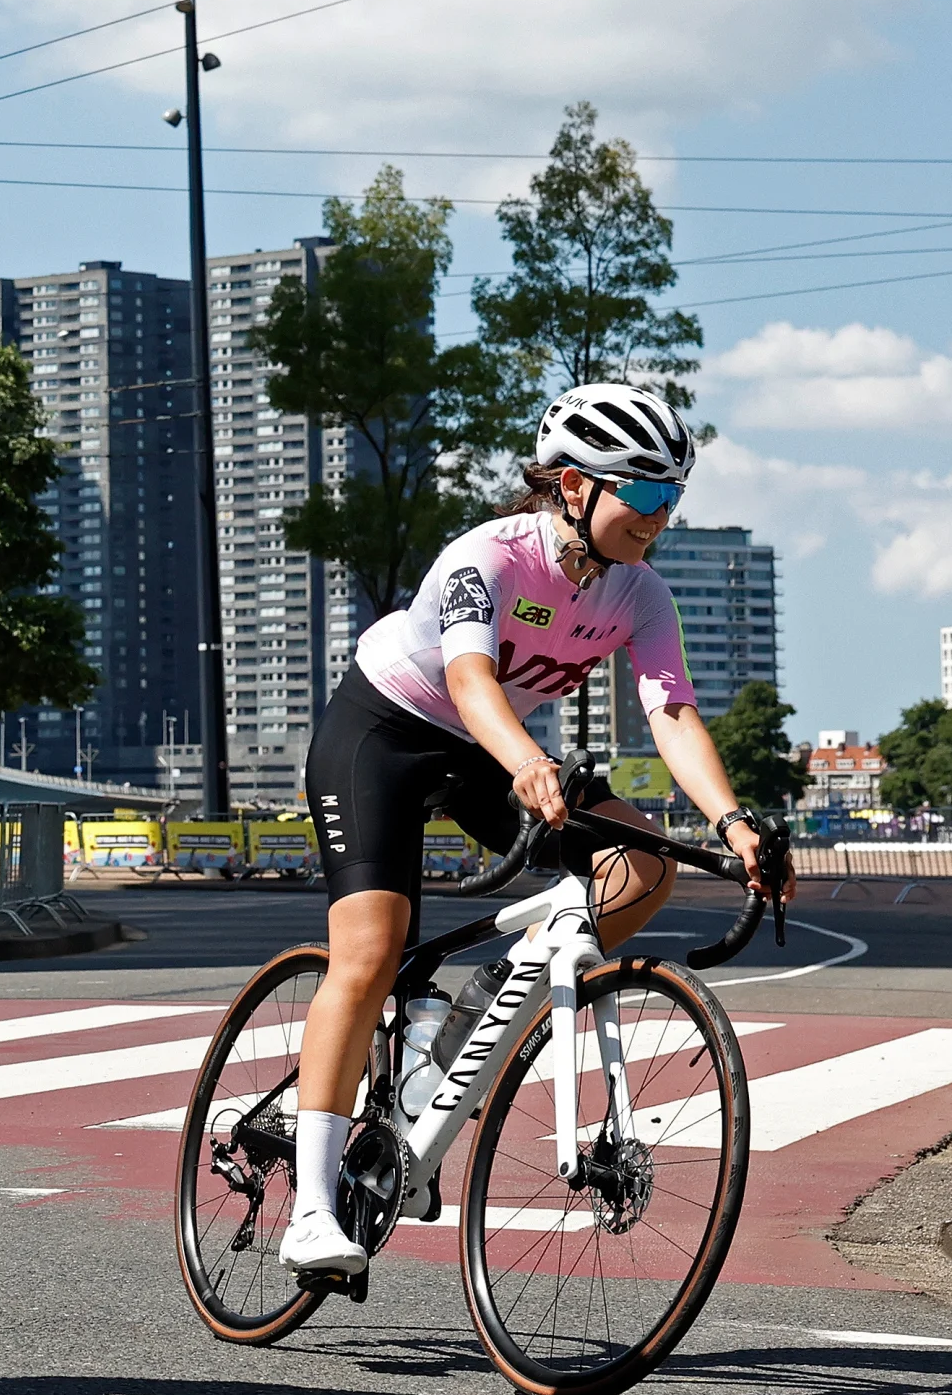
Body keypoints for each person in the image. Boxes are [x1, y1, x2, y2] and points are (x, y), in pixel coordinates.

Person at [276, 382, 786, 1283]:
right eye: (649, 496)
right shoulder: (491, 557)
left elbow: (671, 713)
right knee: (370, 947)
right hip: (385, 733)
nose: (661, 519)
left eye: (675, 499)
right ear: (575, 487)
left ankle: (469, 1032)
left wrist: (733, 821)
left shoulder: (641, 594)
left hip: (492, 750)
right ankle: (314, 1210)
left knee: (642, 865)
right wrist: (524, 762)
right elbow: (470, 683)